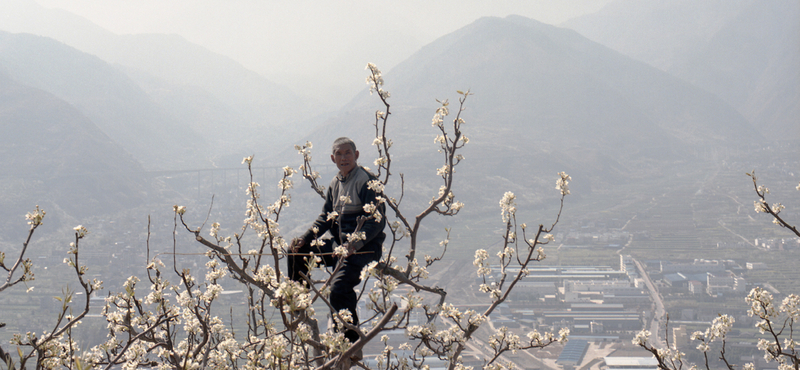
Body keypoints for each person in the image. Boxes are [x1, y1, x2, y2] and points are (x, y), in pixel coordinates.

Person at [288, 137, 385, 344]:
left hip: (364, 250)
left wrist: (355, 244)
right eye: (339, 154)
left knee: (339, 289)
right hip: (339, 246)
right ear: (333, 158)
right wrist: (305, 239)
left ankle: (349, 343)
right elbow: (325, 218)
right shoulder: (335, 183)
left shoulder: (367, 181)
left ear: (356, 155)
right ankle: (300, 304)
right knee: (296, 252)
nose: (343, 158)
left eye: (347, 153)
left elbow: (377, 221)